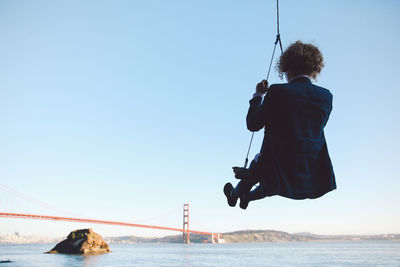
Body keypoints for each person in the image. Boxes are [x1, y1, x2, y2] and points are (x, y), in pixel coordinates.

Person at [224, 41, 336, 209]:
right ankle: (245, 197)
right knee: (266, 169)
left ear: (285, 67)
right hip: (311, 168)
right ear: (314, 68)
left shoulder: (277, 92)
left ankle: (234, 195)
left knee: (261, 169)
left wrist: (258, 95)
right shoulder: (326, 97)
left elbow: (253, 124)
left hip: (277, 166)